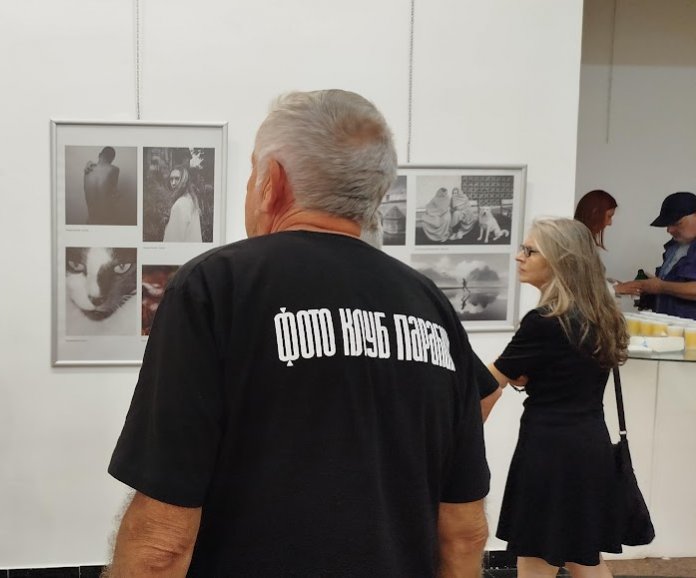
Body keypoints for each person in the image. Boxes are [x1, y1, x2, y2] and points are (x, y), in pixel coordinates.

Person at [106, 90, 490, 577]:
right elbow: (463, 534)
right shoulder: (430, 305)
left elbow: (161, 544)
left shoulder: (215, 288)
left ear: (271, 182)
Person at [487, 218, 629, 577]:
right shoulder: (602, 316)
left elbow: (489, 380)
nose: (519, 257)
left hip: (549, 450)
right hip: (590, 444)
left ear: (560, 260)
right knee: (584, 557)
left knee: (535, 557)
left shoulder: (545, 321)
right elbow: (562, 371)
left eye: (530, 250)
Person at [614, 191, 696, 319]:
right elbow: (669, 286)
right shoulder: (674, 248)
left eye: (677, 223)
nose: (669, 230)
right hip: (668, 325)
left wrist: (661, 287)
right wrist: (647, 288)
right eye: (668, 225)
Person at [161, 165, 203, 242]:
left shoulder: (180, 204)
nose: (173, 183)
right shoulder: (190, 200)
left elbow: (174, 240)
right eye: (171, 179)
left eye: (177, 179)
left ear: (184, 181)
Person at [84, 146, 121, 225]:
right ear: (112, 159)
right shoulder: (115, 170)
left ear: (99, 155)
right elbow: (114, 193)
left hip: (91, 219)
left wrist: (89, 162)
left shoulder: (87, 170)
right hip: (107, 219)